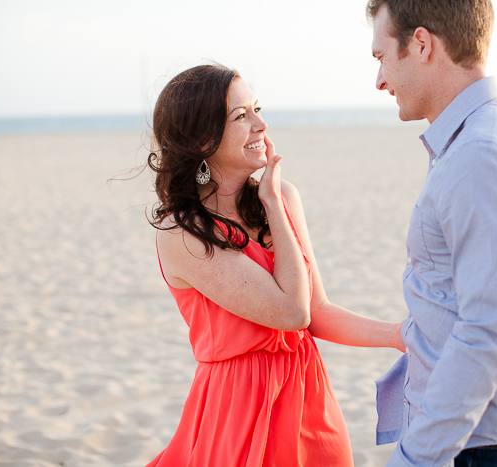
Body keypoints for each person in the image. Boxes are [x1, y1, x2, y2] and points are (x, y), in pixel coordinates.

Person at [144, 64, 405, 467]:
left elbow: (317, 312)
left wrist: (399, 335)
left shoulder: (283, 195)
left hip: (309, 399)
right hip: (237, 410)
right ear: (201, 139)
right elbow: (292, 311)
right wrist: (271, 205)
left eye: (257, 108)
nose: (260, 124)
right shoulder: (183, 233)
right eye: (240, 116)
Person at [366, 1, 497, 466]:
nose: (379, 80)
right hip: (471, 444)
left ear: (421, 44)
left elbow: (490, 326)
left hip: (479, 449)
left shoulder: (483, 152)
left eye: (381, 57)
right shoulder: (476, 141)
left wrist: (414, 457)